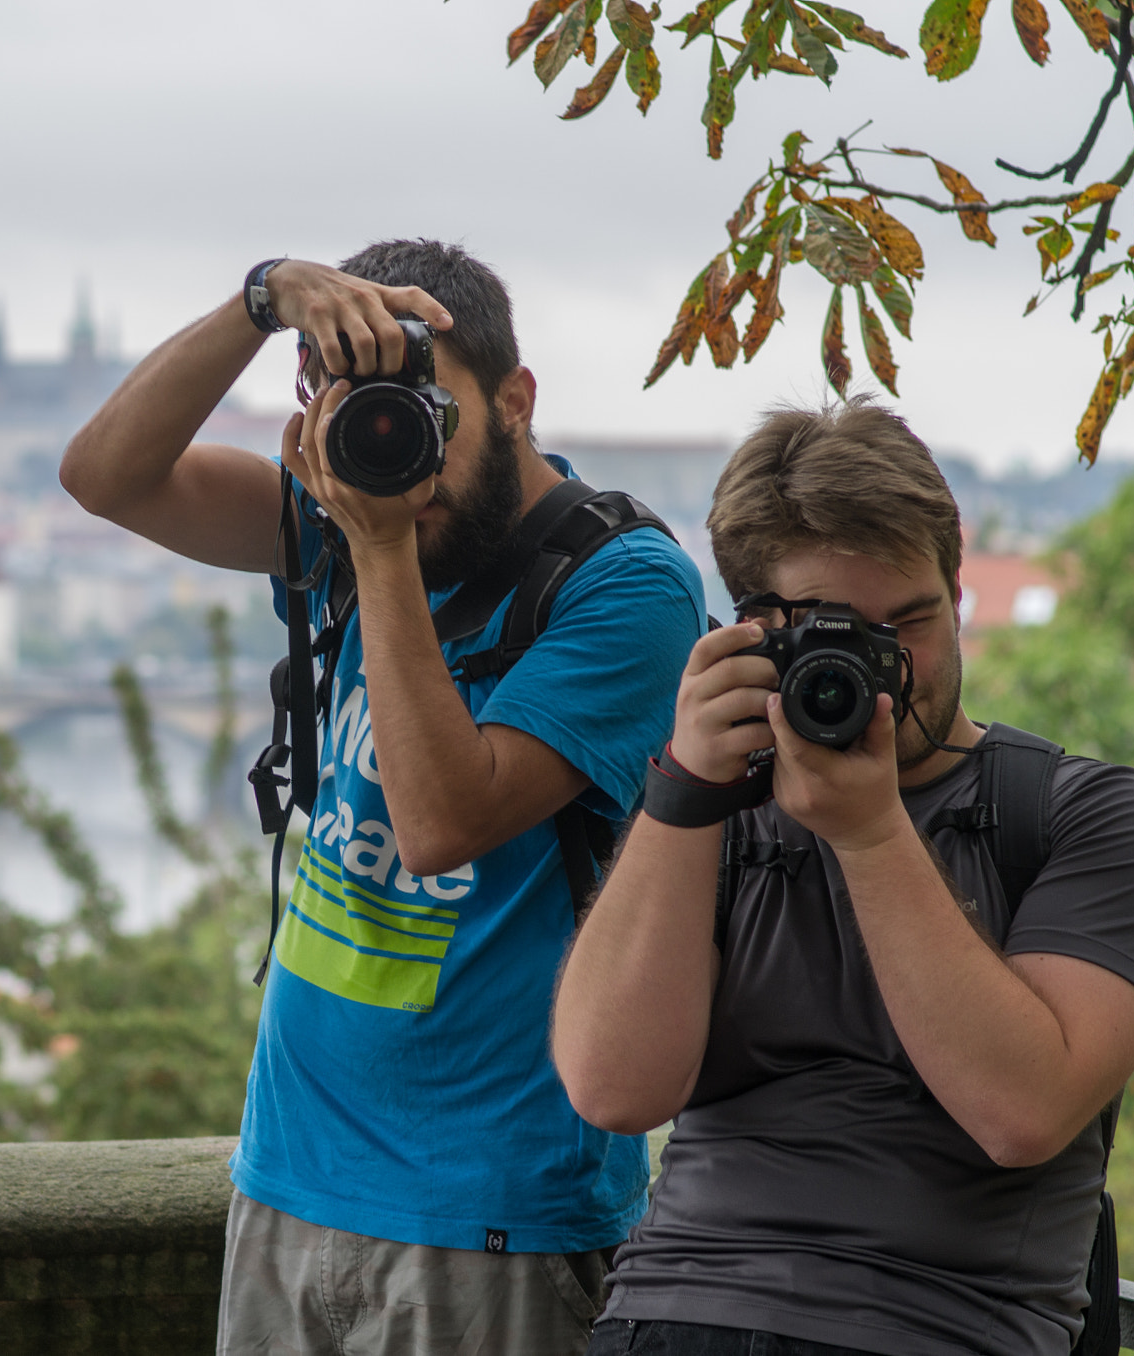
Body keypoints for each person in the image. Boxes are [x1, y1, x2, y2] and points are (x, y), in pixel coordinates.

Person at [61, 241, 704, 1354]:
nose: (401, 453)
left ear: (515, 400)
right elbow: (103, 478)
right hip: (289, 1175)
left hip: (492, 1208)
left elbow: (439, 821)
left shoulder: (624, 583)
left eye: (429, 414)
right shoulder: (334, 519)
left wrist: (377, 546)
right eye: (361, 413)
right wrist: (260, 300)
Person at [553, 399, 1134, 1356]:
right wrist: (682, 791)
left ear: (959, 586)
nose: (891, 669)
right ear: (755, 631)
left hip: (945, 1331)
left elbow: (1021, 1115)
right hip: (677, 1315)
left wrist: (873, 835)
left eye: (914, 622)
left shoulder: (1087, 817)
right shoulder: (712, 807)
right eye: (840, 632)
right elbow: (612, 1089)